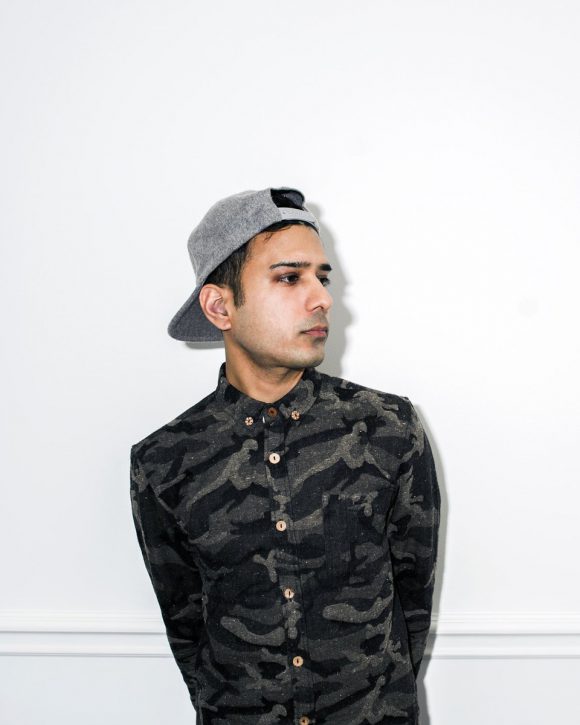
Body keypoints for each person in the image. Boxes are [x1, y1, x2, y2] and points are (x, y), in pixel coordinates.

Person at [129, 186, 441, 725]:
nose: (321, 299)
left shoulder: (388, 428)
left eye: (322, 278)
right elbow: (186, 623)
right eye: (290, 277)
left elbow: (413, 595)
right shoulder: (163, 460)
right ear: (220, 306)